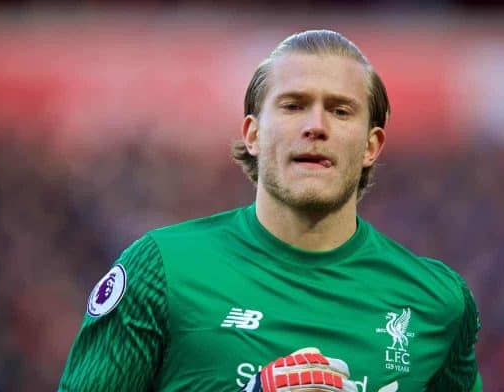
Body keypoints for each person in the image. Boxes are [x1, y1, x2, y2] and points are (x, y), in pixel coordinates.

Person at [59, 29, 482, 392]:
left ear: (371, 146)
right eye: (293, 105)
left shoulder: (437, 302)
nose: (316, 125)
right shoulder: (162, 271)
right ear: (253, 134)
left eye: (340, 110)